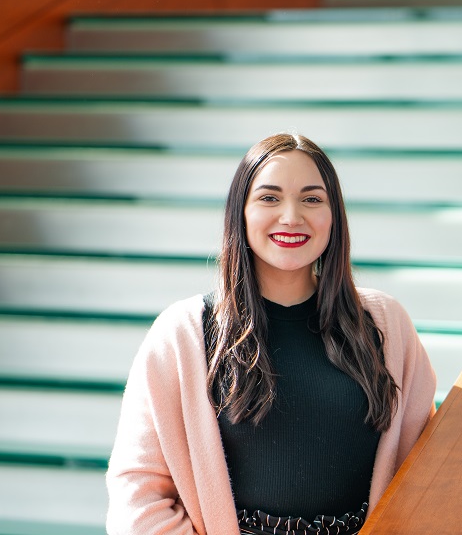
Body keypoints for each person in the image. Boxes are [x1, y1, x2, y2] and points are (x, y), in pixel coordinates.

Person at [106, 133, 437, 535]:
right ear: (240, 214)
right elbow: (138, 495)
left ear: (334, 216)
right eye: (269, 198)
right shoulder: (183, 335)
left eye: (312, 199)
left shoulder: (386, 324)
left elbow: (425, 467)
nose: (292, 217)